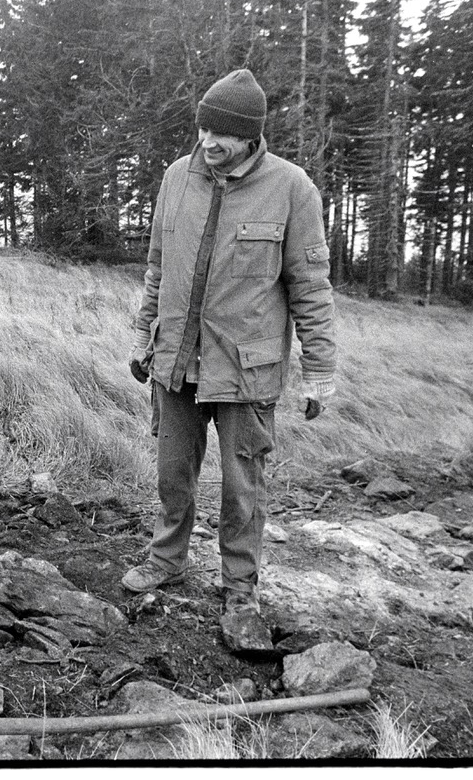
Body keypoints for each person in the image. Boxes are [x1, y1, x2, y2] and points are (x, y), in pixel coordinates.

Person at [123, 68, 336, 649]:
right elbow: (157, 267)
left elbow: (311, 286)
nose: (209, 142)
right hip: (176, 360)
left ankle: (240, 585)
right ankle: (167, 560)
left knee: (243, 487)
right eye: (203, 128)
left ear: (252, 136)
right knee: (172, 474)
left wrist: (319, 368)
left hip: (247, 370)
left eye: (223, 133)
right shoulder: (176, 177)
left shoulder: (293, 189)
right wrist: (145, 335)